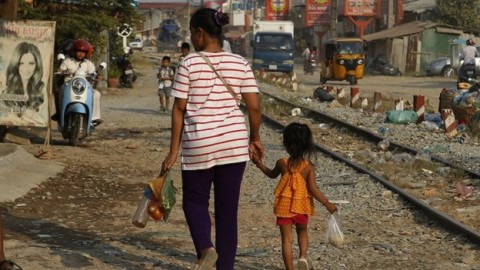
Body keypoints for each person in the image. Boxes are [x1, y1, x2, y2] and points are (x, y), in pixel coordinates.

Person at [160, 8, 264, 270]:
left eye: (193, 33)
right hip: (233, 144)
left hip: (200, 144)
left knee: (194, 202)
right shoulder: (240, 63)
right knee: (227, 214)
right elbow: (254, 107)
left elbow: (179, 109)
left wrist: (173, 150)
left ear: (200, 33)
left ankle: (206, 248)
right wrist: (255, 138)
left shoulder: (189, 63)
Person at [251, 122, 337, 270]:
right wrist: (328, 204)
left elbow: (271, 175)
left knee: (286, 240)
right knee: (302, 231)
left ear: (285, 144)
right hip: (301, 206)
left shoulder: (282, 163)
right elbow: (313, 189)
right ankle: (302, 256)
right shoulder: (308, 167)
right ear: (307, 145)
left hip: (284, 207)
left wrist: (259, 164)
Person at [53, 39, 102, 125]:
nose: (80, 54)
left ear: (86, 53)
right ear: (74, 51)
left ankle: (94, 118)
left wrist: (97, 76)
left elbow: (93, 74)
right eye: (78, 51)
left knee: (96, 94)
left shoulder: (88, 64)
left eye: (83, 52)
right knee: (59, 92)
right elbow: (60, 70)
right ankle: (59, 113)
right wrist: (60, 72)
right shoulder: (67, 61)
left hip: (84, 87)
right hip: (68, 85)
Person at [2, 42, 45, 116]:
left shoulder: (41, 92)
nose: (26, 69)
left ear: (37, 65)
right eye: (21, 63)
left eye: (31, 63)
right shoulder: (7, 92)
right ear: (15, 65)